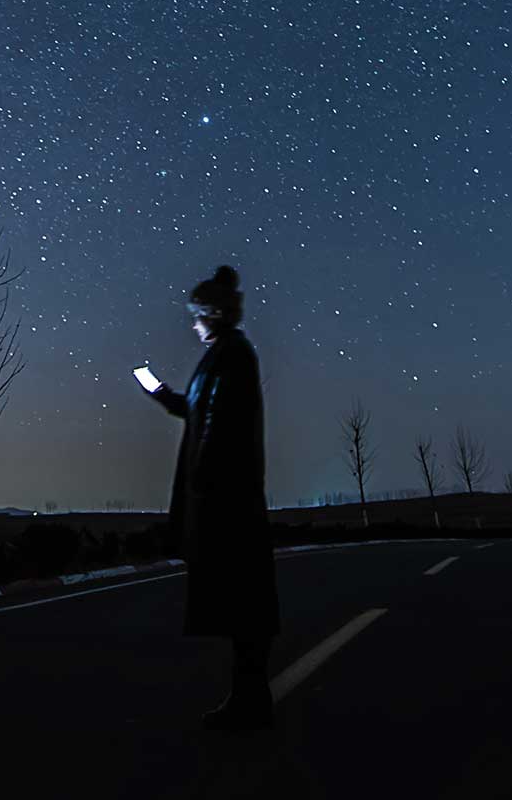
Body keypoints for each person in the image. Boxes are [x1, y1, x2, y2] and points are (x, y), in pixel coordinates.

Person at [143, 264, 280, 730]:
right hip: (224, 495)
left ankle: (251, 699)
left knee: (242, 599)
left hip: (227, 498)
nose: (193, 323)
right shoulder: (224, 353)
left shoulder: (232, 354)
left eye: (197, 315)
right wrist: (160, 392)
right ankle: (249, 696)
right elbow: (201, 409)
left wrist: (202, 483)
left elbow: (219, 423)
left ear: (214, 313)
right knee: (240, 599)